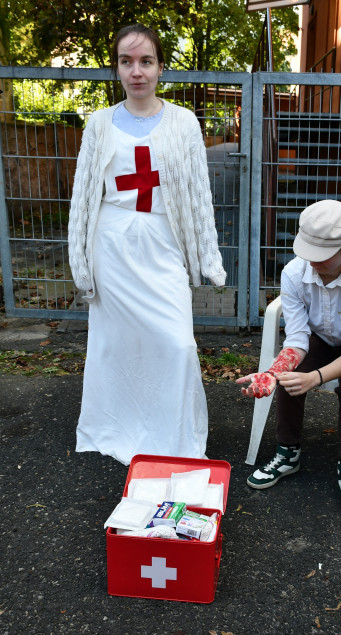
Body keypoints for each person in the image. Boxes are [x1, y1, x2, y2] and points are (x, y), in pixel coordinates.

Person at [68, 23, 226, 465]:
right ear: (116, 68)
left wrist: (208, 258)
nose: (136, 71)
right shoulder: (100, 124)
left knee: (176, 343)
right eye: (126, 61)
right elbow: (83, 196)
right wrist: (80, 262)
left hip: (162, 245)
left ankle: (172, 435)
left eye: (146, 61)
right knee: (115, 345)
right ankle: (117, 427)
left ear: (160, 67)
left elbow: (198, 194)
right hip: (113, 248)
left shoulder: (183, 123)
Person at [237, 199, 341, 514]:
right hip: (318, 340)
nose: (313, 262)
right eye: (308, 253)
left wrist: (316, 378)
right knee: (290, 375)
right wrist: (272, 373)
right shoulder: (294, 272)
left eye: (323, 256)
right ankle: (287, 453)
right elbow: (296, 339)